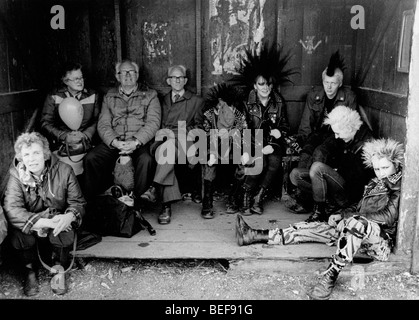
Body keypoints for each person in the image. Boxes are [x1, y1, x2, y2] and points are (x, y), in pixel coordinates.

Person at [235, 137, 404, 300]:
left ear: (395, 164)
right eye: (376, 169)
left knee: (357, 223)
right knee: (315, 227)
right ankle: (255, 235)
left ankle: (330, 277)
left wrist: (351, 218)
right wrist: (341, 215)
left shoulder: (397, 185)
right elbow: (358, 207)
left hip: (378, 243)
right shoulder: (376, 182)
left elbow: (387, 217)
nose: (380, 173)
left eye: (385, 168)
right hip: (354, 235)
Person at [3, 132, 86, 296]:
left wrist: (69, 216)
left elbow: (78, 202)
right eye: (26, 154)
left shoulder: (64, 170)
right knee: (19, 237)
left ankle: (59, 268)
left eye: (36, 153)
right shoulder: (16, 176)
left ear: (45, 154)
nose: (32, 159)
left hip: (56, 225)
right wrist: (46, 223)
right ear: (21, 157)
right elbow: (12, 210)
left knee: (65, 232)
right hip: (35, 227)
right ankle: (30, 271)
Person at [83, 59, 161, 207]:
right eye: (123, 72)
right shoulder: (109, 96)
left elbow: (153, 123)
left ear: (137, 75)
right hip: (116, 141)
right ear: (117, 76)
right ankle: (93, 203)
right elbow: (104, 124)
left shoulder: (150, 95)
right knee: (91, 158)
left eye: (131, 72)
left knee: (146, 160)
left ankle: (136, 203)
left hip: (138, 141)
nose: (127, 75)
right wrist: (114, 142)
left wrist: (136, 142)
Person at [288, 51, 358, 213]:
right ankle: (304, 196)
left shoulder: (349, 97)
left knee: (320, 152)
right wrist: (303, 142)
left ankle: (309, 201)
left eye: (333, 83)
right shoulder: (315, 95)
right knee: (307, 153)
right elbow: (306, 124)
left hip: (337, 136)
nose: (329, 86)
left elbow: (350, 124)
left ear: (340, 84)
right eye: (326, 82)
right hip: (317, 134)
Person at [232, 43, 296, 216]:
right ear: (255, 86)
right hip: (252, 143)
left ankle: (258, 198)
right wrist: (258, 148)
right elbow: (241, 130)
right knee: (261, 161)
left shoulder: (279, 101)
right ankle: (246, 194)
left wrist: (279, 133)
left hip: (272, 143)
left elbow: (284, 126)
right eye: (261, 84)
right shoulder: (246, 103)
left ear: (272, 85)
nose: (265, 88)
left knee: (274, 162)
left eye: (268, 84)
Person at [140, 65, 204, 224]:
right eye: (173, 77)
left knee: (166, 154)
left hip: (184, 143)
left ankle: (163, 202)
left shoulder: (196, 101)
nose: (177, 80)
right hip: (162, 141)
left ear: (186, 80)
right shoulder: (161, 101)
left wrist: (179, 132)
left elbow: (200, 127)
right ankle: (157, 192)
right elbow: (155, 124)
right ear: (168, 81)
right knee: (166, 150)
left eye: (180, 77)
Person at [289, 105, 374, 223]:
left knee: (317, 168)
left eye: (338, 133)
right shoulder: (346, 137)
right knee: (296, 174)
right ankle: (326, 202)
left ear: (349, 128)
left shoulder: (365, 146)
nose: (336, 136)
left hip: (349, 193)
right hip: (338, 182)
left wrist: (331, 179)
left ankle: (319, 213)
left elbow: (357, 185)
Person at [201, 83, 247, 218]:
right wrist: (212, 152)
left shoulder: (238, 115)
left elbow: (244, 133)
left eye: (230, 106)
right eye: (220, 106)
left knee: (244, 164)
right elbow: (205, 135)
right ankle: (207, 203)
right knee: (209, 162)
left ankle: (233, 199)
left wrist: (244, 151)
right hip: (214, 146)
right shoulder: (209, 115)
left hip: (234, 147)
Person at [40, 62, 100, 153]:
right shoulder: (54, 96)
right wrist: (64, 136)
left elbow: (97, 120)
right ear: (65, 81)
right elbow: (46, 122)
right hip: (61, 145)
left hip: (87, 143)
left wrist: (85, 135)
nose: (80, 81)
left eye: (81, 77)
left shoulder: (93, 95)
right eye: (76, 79)